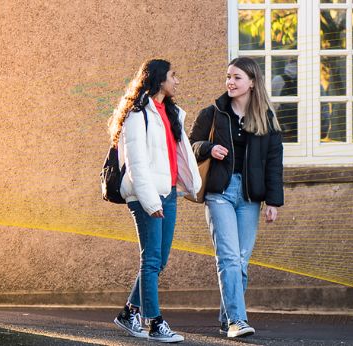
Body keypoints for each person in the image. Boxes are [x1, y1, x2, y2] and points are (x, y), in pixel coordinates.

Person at [189, 57, 285, 338]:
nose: (230, 82)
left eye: (237, 77)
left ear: (252, 83)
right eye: (228, 76)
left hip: (250, 196)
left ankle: (226, 316)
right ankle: (237, 321)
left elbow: (273, 162)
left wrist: (274, 202)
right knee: (229, 258)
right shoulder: (213, 113)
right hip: (219, 192)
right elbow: (190, 145)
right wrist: (208, 148)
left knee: (241, 261)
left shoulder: (265, 118)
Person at [108, 59, 202, 343]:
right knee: (150, 260)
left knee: (159, 261)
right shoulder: (138, 115)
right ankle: (154, 322)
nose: (177, 81)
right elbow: (137, 165)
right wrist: (150, 202)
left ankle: (129, 312)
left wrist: (187, 186)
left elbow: (177, 155)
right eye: (174, 75)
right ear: (159, 79)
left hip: (169, 193)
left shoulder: (170, 112)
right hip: (146, 196)